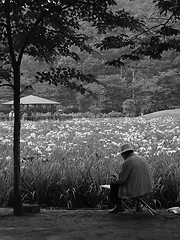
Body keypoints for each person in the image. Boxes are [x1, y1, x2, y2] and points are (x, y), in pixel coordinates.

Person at [109, 143, 154, 213]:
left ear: (124, 154)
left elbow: (121, 180)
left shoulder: (127, 162)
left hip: (136, 189)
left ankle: (118, 206)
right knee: (136, 182)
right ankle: (138, 205)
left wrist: (115, 179)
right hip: (148, 187)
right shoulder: (142, 158)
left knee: (113, 185)